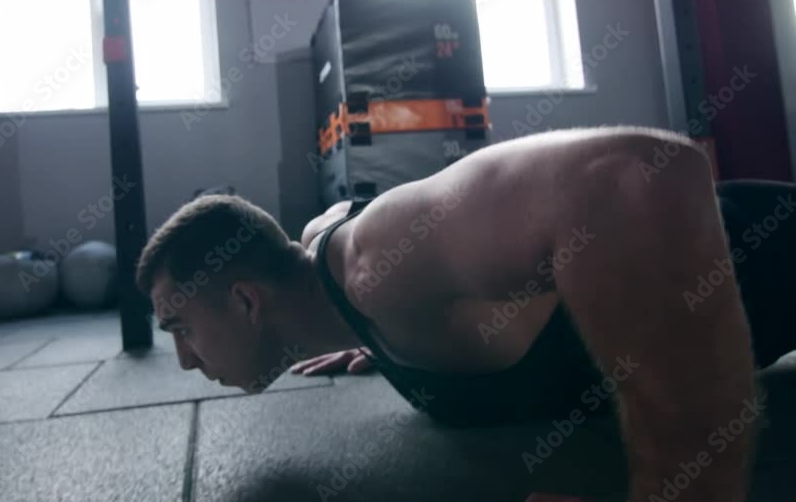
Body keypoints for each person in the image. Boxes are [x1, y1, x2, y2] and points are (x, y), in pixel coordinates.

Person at [135, 126, 796, 502]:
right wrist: (374, 344)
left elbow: (635, 175)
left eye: (181, 327)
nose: (186, 359)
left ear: (248, 300)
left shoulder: (374, 262)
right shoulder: (334, 282)